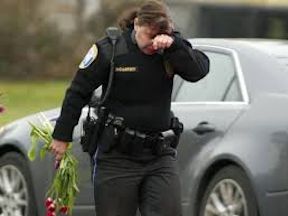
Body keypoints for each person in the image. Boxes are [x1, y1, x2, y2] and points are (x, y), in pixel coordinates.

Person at [50, 0, 209, 215]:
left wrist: (174, 46)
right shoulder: (111, 49)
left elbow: (198, 70)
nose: (153, 43)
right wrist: (62, 135)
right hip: (117, 158)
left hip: (159, 157)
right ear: (136, 24)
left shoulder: (170, 48)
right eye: (148, 35)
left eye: (157, 37)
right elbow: (78, 91)